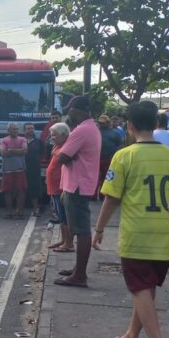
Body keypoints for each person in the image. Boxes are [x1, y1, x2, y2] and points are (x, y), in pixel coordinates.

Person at [93, 101, 169, 338]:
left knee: (140, 287)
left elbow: (111, 198)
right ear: (156, 124)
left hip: (137, 232)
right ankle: (131, 336)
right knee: (147, 286)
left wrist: (100, 229)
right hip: (165, 232)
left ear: (129, 126)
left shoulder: (124, 156)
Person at [55, 95, 102, 287]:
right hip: (79, 184)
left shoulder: (81, 130)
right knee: (78, 229)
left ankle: (80, 275)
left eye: (71, 111)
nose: (69, 114)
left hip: (77, 185)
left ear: (77, 111)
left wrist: (64, 153)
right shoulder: (91, 128)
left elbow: (61, 157)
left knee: (81, 231)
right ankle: (77, 270)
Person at [46, 122, 74, 253]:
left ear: (63, 135)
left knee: (65, 216)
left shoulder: (67, 147)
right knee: (60, 216)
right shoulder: (58, 145)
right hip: (54, 187)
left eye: (54, 135)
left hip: (60, 187)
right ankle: (64, 240)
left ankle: (68, 243)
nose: (52, 137)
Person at [0, 122, 27, 218]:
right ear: (8, 130)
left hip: (20, 169)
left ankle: (20, 212)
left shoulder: (23, 139)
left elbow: (24, 151)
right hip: (7, 170)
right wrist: (17, 151)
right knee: (8, 192)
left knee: (21, 191)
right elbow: (3, 153)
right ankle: (9, 212)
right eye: (13, 129)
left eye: (16, 129)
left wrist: (10, 150)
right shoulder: (4, 140)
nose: (15, 131)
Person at [97, 115, 123, 199]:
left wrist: (115, 155)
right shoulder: (96, 131)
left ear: (108, 123)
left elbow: (120, 144)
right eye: (100, 123)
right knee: (96, 177)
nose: (101, 124)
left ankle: (103, 195)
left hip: (109, 158)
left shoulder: (115, 133)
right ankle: (93, 195)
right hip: (97, 158)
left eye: (103, 123)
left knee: (107, 178)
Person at [24, 122, 44, 215]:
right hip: (22, 168)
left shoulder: (38, 141)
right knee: (20, 189)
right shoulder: (21, 140)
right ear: (24, 130)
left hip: (34, 168)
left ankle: (35, 209)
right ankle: (19, 209)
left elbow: (43, 154)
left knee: (35, 189)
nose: (30, 130)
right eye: (28, 128)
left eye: (32, 128)